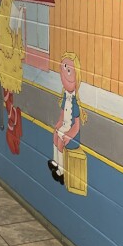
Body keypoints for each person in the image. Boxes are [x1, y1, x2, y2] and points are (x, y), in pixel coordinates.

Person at [48, 52, 86, 186]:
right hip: (65, 126)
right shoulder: (65, 96)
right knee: (55, 135)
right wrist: (58, 125)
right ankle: (55, 162)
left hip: (73, 135)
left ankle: (62, 171)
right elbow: (62, 115)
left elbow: (76, 126)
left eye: (68, 70)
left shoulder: (75, 101)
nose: (64, 74)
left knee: (61, 140)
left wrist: (69, 136)